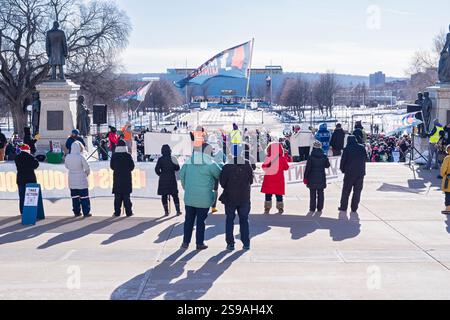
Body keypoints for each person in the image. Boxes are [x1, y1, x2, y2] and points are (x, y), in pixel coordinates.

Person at [180, 144, 222, 250]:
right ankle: (199, 243)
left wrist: (187, 188)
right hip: (204, 198)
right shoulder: (211, 163)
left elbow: (182, 175)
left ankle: (185, 242)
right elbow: (219, 175)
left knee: (188, 220)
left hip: (189, 197)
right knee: (201, 221)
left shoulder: (188, 162)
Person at [219, 151, 254, 251]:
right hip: (244, 196)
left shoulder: (227, 167)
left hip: (230, 197)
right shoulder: (247, 164)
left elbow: (222, 183)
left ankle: (230, 243)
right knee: (244, 220)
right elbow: (250, 181)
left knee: (229, 220)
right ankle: (246, 243)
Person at [339, 135, 367, 214]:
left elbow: (343, 161)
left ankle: (343, 207)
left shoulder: (347, 149)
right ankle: (354, 208)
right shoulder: (362, 147)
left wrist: (343, 170)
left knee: (346, 191)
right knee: (357, 191)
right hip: (360, 173)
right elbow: (366, 158)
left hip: (349, 173)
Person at [261, 142, 290, 214]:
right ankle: (280, 208)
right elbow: (286, 167)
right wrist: (285, 157)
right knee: (279, 195)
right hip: (279, 180)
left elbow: (263, 167)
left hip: (269, 179)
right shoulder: (282, 158)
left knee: (268, 195)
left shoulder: (268, 158)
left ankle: (267, 208)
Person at [65, 141, 91, 218]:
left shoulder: (68, 157)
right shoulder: (81, 157)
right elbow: (87, 167)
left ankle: (76, 211)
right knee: (84, 197)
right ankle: (86, 212)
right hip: (81, 179)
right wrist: (86, 174)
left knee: (75, 197)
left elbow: (66, 166)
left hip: (71, 178)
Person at [304, 141, 331, 215]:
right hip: (321, 177)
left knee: (312, 193)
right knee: (321, 193)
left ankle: (312, 208)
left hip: (312, 177)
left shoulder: (310, 157)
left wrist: (305, 177)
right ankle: (320, 208)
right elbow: (327, 165)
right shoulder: (324, 156)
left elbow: (308, 169)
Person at [155, 144, 182, 217]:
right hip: (172, 178)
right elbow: (177, 168)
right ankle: (178, 211)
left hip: (163, 179)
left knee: (164, 196)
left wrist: (161, 174)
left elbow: (156, 169)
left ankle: (166, 211)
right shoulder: (173, 158)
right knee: (175, 195)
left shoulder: (160, 159)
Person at [111, 140, 135, 217]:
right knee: (126, 196)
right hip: (126, 178)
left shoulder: (114, 155)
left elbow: (112, 166)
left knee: (117, 197)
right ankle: (129, 212)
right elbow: (132, 167)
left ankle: (117, 212)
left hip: (117, 178)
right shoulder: (128, 155)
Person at [14, 144, 40, 215]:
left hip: (20, 179)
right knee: (31, 197)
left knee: (22, 196)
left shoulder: (17, 157)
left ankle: (22, 211)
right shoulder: (31, 157)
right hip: (30, 179)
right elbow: (36, 165)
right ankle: (31, 211)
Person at [440, 145, 450, 214]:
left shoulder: (447, 158)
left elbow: (443, 169)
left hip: (448, 179)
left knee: (448, 194)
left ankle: (448, 209)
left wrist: (443, 174)